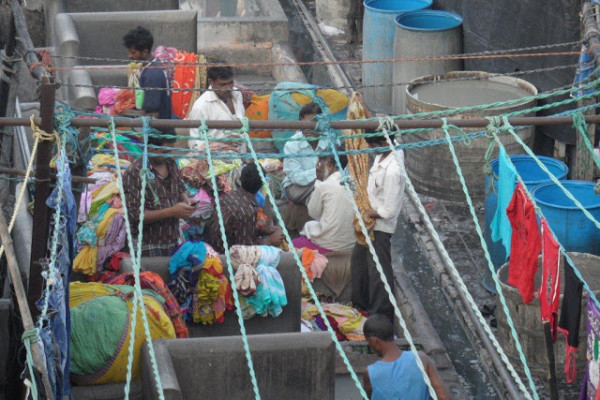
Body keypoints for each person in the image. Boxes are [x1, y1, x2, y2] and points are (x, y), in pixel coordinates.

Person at [351, 132, 406, 322]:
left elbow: (389, 210)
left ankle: (380, 314)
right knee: (359, 262)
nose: (373, 151)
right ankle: (360, 304)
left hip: (380, 226)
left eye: (374, 146)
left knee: (379, 272)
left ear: (383, 142)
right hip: (369, 224)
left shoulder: (393, 171)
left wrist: (367, 214)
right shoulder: (387, 150)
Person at [123, 135, 194, 257]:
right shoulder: (135, 172)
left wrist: (187, 201)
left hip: (172, 239)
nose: (168, 154)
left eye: (170, 150)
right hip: (147, 243)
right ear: (151, 148)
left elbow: (180, 188)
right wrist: (172, 211)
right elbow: (135, 216)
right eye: (165, 151)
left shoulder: (170, 164)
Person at [363, 314, 450, 400]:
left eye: (368, 342)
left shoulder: (371, 373)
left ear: (374, 341)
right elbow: (443, 397)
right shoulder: (421, 359)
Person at [205, 162, 284, 253]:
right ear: (261, 186)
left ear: (240, 179)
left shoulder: (229, 197)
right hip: (224, 256)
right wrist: (270, 240)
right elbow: (246, 250)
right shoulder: (247, 212)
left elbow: (236, 229)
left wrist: (261, 230)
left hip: (213, 246)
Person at [292, 154, 355, 253]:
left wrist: (318, 182)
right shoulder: (353, 182)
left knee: (295, 243)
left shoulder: (323, 186)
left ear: (329, 165)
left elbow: (313, 213)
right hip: (351, 242)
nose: (317, 166)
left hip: (330, 243)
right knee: (310, 225)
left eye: (319, 163)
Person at [187, 62, 246, 150]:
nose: (228, 88)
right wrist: (221, 143)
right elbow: (194, 144)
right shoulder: (201, 106)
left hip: (242, 158)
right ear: (211, 82)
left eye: (230, 83)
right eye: (223, 84)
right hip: (217, 161)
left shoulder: (237, 94)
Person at [123, 26, 173, 127]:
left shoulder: (152, 74)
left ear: (145, 52)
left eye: (133, 52)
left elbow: (152, 113)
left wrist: (124, 114)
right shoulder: (150, 66)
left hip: (158, 134)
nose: (130, 56)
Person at [281, 102, 329, 205]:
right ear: (300, 122)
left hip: (322, 183)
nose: (308, 130)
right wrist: (319, 172)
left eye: (313, 124)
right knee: (328, 188)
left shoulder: (328, 141)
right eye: (305, 125)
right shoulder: (292, 144)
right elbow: (296, 177)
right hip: (297, 188)